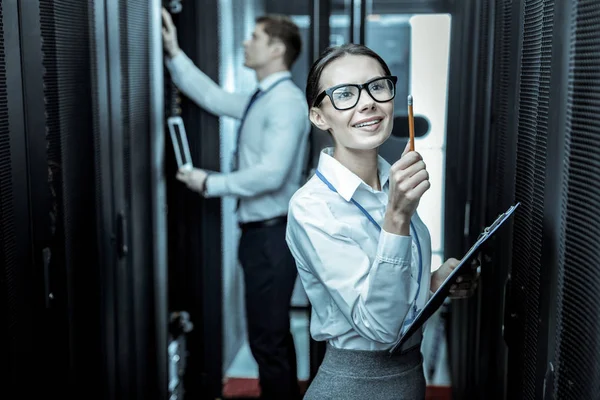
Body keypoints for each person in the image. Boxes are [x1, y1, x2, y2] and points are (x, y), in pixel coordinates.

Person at [285, 43, 474, 399]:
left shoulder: (391, 182)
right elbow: (379, 327)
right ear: (319, 117)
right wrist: (398, 217)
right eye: (344, 94)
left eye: (377, 86)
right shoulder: (312, 206)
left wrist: (433, 284)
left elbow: (391, 295)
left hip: (408, 376)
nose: (368, 102)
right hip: (354, 385)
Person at [162, 9, 309, 399]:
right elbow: (211, 96)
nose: (246, 42)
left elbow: (271, 174)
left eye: (255, 37)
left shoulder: (286, 103)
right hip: (260, 236)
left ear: (276, 48)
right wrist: (174, 52)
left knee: (268, 340)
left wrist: (209, 182)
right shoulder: (262, 98)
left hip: (272, 237)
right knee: (268, 337)